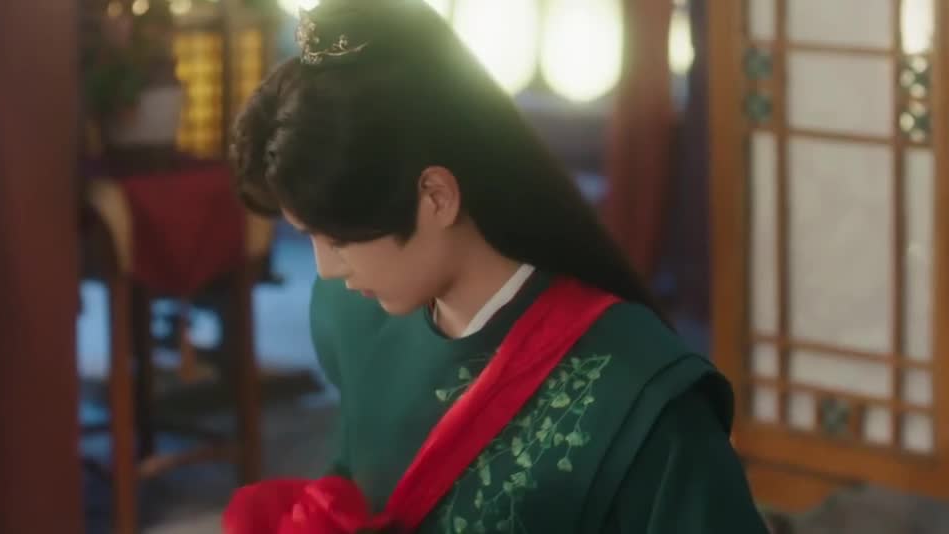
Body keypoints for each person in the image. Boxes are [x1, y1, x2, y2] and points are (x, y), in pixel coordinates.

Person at [221, 0, 769, 532]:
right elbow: (352, 482)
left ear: (436, 196)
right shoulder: (348, 315)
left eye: (340, 238)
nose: (325, 269)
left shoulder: (642, 400)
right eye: (309, 235)